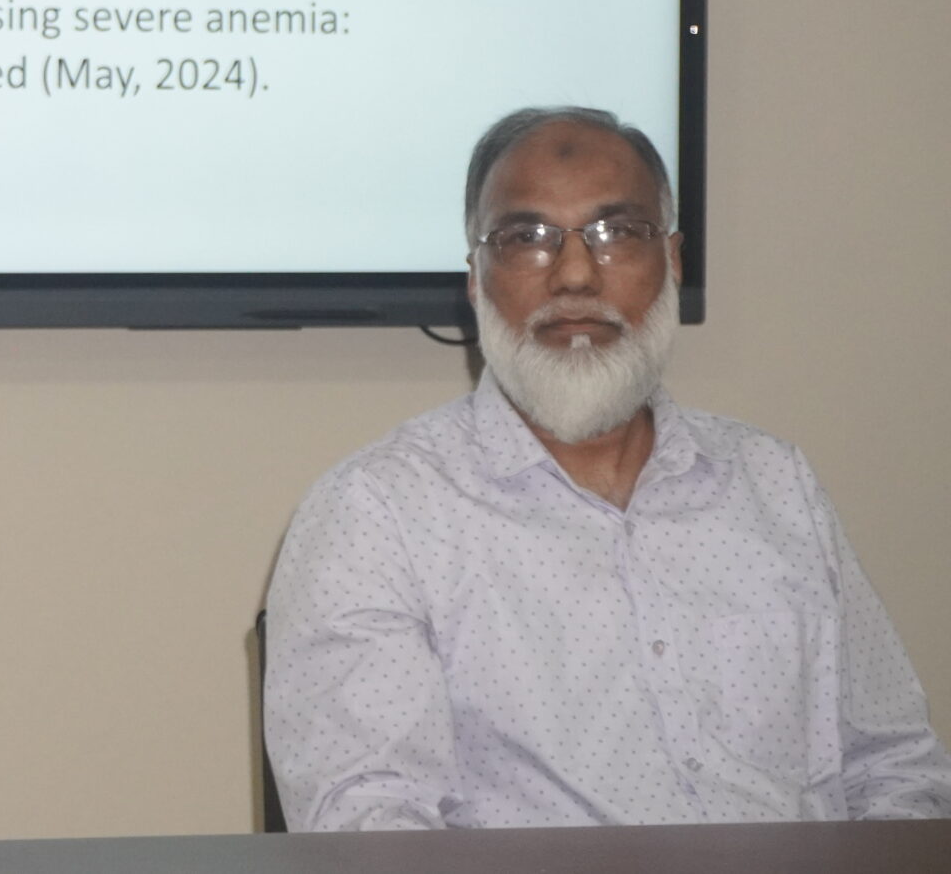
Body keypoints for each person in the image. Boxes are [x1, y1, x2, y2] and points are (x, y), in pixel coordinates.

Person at [264, 105, 951, 830]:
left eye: (616, 233)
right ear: (475, 279)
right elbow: (369, 825)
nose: (574, 275)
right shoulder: (378, 513)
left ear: (673, 261)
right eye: (526, 238)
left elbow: (895, 768)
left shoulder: (776, 483)